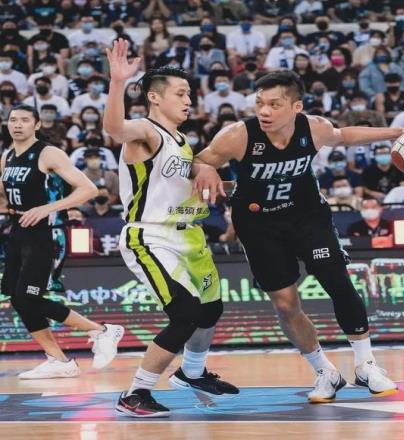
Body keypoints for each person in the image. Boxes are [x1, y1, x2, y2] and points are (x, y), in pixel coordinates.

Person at [193, 71, 404, 404]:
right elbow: (199, 159)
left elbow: (343, 136)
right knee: (285, 304)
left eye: (274, 104)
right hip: (259, 225)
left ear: (296, 106)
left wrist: (397, 132)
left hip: (307, 217)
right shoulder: (237, 135)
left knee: (337, 281)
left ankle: (366, 365)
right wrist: (205, 168)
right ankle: (325, 372)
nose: (264, 111)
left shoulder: (314, 128)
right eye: (259, 103)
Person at [103, 39, 238, 418]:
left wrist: (220, 179)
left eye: (189, 93)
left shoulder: (181, 142)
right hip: (150, 235)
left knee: (210, 309)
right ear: (154, 98)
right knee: (185, 313)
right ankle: (135, 393)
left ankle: (192, 373)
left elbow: (185, 183)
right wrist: (118, 83)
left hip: (187, 234)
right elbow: (115, 128)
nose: (188, 99)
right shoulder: (145, 131)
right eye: (180, 93)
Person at [0, 104, 124, 379]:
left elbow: (88, 190)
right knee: (18, 299)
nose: (17, 124)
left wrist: (47, 208)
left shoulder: (48, 153)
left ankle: (103, 331)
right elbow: (6, 196)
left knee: (27, 297)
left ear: (36, 125)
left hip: (47, 232)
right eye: (13, 120)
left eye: (24, 120)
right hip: (19, 231)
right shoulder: (7, 156)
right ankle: (58, 360)